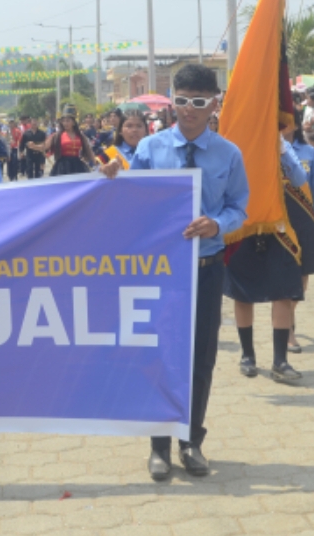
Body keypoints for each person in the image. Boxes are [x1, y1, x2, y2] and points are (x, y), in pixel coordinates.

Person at [101, 63, 248, 482]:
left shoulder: (229, 154)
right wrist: (112, 179)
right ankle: (159, 446)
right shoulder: (150, 149)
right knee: (159, 356)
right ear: (172, 103)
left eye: (198, 102)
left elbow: (239, 207)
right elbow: (132, 200)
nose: (189, 110)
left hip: (206, 268)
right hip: (162, 272)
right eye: (182, 101)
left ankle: (191, 441)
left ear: (213, 104)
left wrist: (217, 223)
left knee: (201, 358)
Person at [225, 131, 308, 385]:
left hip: (277, 228)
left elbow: (299, 179)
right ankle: (247, 355)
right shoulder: (233, 140)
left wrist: (282, 151)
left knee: (283, 293)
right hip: (242, 225)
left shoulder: (280, 146)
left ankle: (280, 360)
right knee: (242, 294)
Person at [284, 122, 314, 352]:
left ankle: (287, 317)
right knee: (286, 275)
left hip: (305, 216)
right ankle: (287, 329)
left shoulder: (308, 152)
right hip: (280, 220)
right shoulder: (267, 148)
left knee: (303, 276)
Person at [39, 106, 94, 176]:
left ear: (73, 122)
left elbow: (89, 150)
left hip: (77, 165)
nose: (65, 123)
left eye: (68, 121)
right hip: (62, 166)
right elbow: (45, 146)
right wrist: (35, 146)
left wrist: (95, 162)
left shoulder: (80, 135)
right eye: (63, 121)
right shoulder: (57, 135)